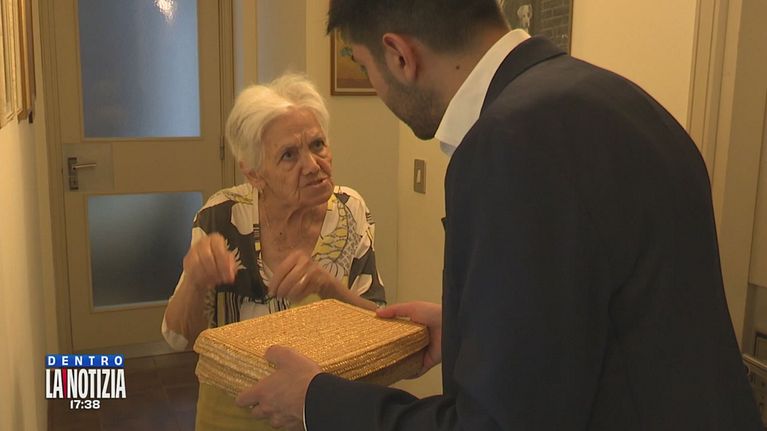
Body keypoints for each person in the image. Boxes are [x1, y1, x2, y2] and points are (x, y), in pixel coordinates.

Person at [235, 1, 764, 430]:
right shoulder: (622, 101)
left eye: (363, 66)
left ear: (398, 55)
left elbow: (495, 423)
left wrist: (315, 400)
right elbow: (610, 309)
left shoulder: (507, 144)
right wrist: (472, 328)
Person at [161, 73, 386, 430]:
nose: (312, 165)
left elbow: (379, 327)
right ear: (254, 174)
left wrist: (328, 287)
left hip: (319, 411)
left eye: (317, 145)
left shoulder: (349, 209)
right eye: (289, 155)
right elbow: (178, 338)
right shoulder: (222, 215)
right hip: (233, 413)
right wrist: (195, 282)